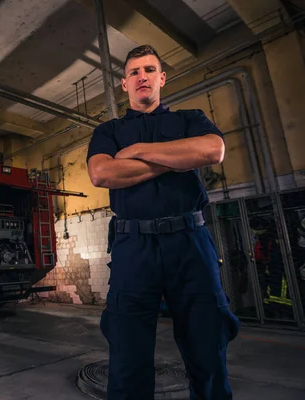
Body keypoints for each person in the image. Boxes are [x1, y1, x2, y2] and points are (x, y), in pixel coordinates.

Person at [86, 44, 241, 399]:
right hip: (133, 247)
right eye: (134, 72)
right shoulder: (108, 131)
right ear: (124, 84)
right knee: (127, 357)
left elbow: (212, 151)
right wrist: (177, 157)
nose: (142, 77)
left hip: (190, 242)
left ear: (162, 78)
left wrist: (137, 151)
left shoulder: (190, 119)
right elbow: (102, 173)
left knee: (208, 350)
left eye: (149, 70)